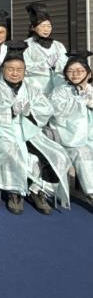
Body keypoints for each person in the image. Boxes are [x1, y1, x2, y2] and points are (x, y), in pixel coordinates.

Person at [0, 40, 71, 215]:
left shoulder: (32, 89)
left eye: (19, 70)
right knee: (13, 153)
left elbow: (46, 109)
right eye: (10, 69)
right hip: (5, 131)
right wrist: (10, 111)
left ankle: (38, 189)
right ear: (2, 69)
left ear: (25, 71)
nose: (15, 73)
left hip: (30, 131)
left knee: (57, 155)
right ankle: (15, 193)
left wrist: (29, 113)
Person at [50, 51, 93, 204]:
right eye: (71, 71)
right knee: (83, 154)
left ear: (88, 73)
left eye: (80, 71)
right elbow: (56, 111)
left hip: (90, 137)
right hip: (71, 139)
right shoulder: (60, 91)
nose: (75, 74)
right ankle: (91, 193)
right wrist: (79, 102)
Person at [23, 3, 68, 96]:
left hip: (57, 88)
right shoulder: (26, 45)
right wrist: (46, 64)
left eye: (49, 26)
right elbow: (24, 68)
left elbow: (65, 66)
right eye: (43, 26)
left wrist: (58, 65)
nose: (46, 29)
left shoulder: (58, 45)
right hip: (35, 89)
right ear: (33, 27)